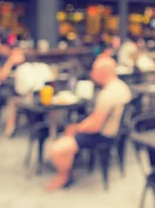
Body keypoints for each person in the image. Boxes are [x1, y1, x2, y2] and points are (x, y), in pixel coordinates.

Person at [47, 56, 131, 190]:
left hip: (103, 135)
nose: (91, 74)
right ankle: (69, 167)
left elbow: (94, 126)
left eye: (94, 71)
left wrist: (75, 129)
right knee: (70, 130)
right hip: (115, 131)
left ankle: (63, 176)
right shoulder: (121, 87)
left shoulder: (108, 94)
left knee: (56, 149)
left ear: (103, 73)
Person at [0, 48, 55, 137]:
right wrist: (10, 62)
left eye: (20, 54)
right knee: (12, 101)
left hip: (36, 93)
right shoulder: (9, 63)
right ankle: (9, 129)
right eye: (16, 54)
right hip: (15, 93)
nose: (19, 56)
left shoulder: (35, 66)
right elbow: (1, 77)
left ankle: (51, 130)